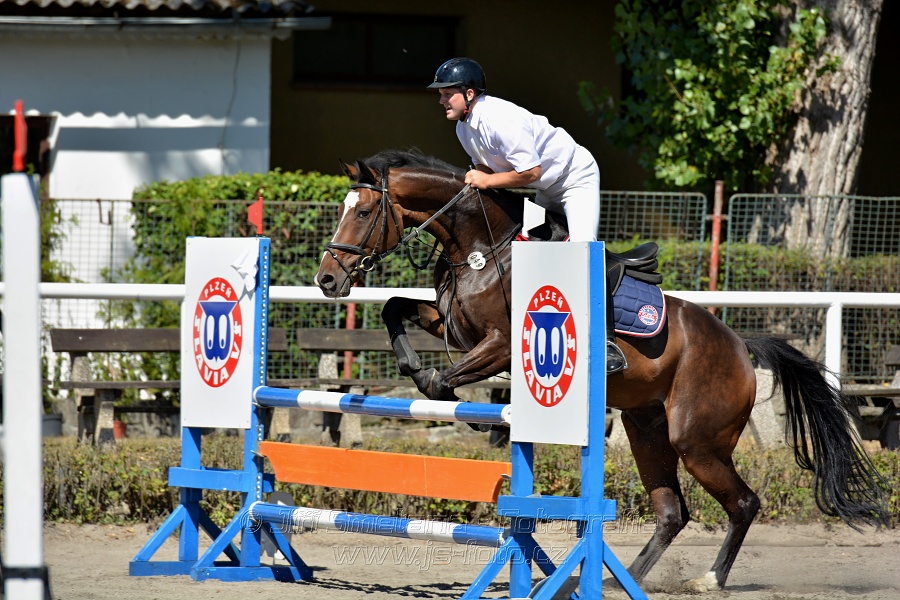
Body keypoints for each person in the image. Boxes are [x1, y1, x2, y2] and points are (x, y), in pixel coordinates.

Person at [427, 57, 627, 373]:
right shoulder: (464, 129)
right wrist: (478, 179)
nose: (440, 99)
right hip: (546, 190)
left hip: (575, 179)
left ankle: (606, 343)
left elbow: (530, 172)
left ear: (468, 94)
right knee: (528, 246)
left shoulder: (501, 119)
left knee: (584, 251)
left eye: (445, 93)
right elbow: (485, 168)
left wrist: (487, 179)